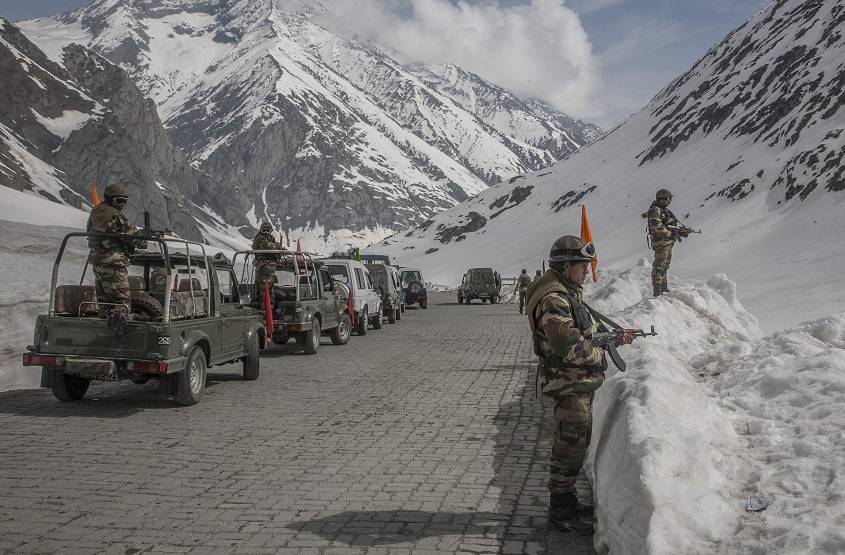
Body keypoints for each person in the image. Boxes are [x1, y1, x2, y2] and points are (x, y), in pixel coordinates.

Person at [525, 235, 633, 535]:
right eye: (581, 266)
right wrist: (600, 351)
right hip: (569, 385)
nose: (586, 271)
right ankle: (560, 512)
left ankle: (567, 502)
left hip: (574, 384)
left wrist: (610, 337)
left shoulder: (566, 293)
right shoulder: (555, 299)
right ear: (565, 266)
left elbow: (584, 330)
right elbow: (569, 346)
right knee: (569, 448)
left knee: (574, 444)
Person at [86, 184, 147, 318]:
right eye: (119, 201)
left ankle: (103, 329)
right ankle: (121, 335)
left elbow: (90, 231)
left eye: (125, 201)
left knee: (105, 302)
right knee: (121, 302)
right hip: (114, 262)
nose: (123, 204)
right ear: (109, 199)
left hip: (97, 262)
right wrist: (145, 236)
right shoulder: (114, 216)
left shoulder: (96, 211)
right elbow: (136, 238)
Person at [644, 189, 687, 297]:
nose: (670, 201)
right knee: (659, 267)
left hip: (667, 242)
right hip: (660, 243)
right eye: (669, 199)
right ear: (663, 199)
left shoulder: (665, 211)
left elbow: (670, 225)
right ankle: (657, 293)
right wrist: (671, 234)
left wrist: (679, 232)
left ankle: (663, 290)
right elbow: (658, 228)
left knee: (665, 266)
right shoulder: (655, 211)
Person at [251, 221, 283, 293]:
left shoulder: (270, 237)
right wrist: (278, 246)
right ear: (261, 230)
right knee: (265, 286)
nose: (266, 232)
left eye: (268, 230)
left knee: (268, 286)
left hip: (268, 264)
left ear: (271, 231)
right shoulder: (260, 238)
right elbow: (269, 246)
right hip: (264, 265)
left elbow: (273, 246)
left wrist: (280, 249)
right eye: (264, 230)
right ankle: (265, 303)